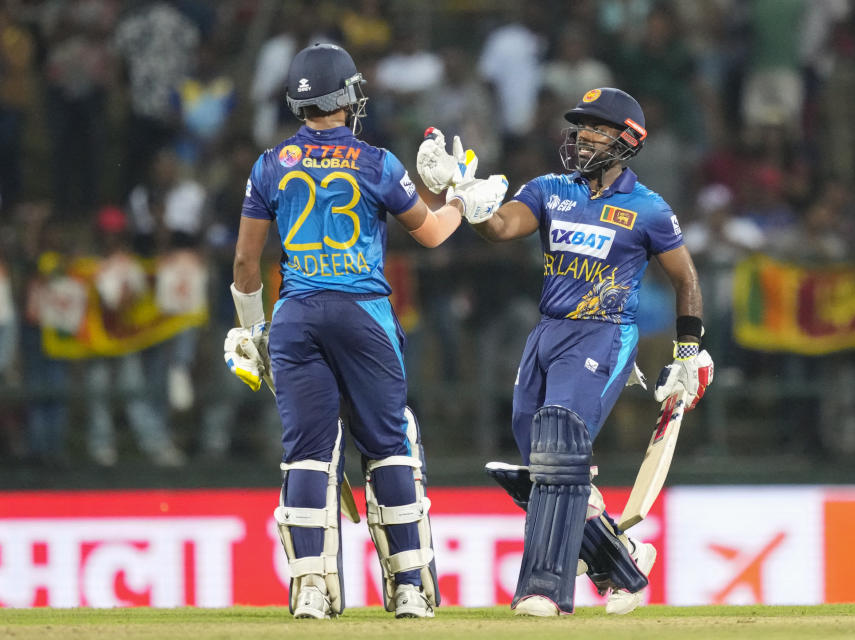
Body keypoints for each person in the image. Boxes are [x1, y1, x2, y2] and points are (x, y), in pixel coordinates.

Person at [222, 43, 504, 620]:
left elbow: (246, 266)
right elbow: (430, 235)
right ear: (348, 97)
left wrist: (253, 331)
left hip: (296, 315)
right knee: (388, 446)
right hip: (362, 314)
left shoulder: (269, 165)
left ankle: (308, 591)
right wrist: (460, 201)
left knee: (306, 455)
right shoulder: (376, 162)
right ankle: (407, 589)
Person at [417, 87, 714, 616]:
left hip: (603, 333)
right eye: (579, 128)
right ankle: (623, 562)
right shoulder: (550, 188)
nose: (581, 138)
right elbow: (501, 227)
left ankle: (544, 590)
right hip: (547, 333)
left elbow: (685, 277)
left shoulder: (647, 208)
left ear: (626, 140)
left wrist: (688, 350)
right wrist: (463, 192)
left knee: (558, 447)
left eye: (595, 129)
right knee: (542, 464)